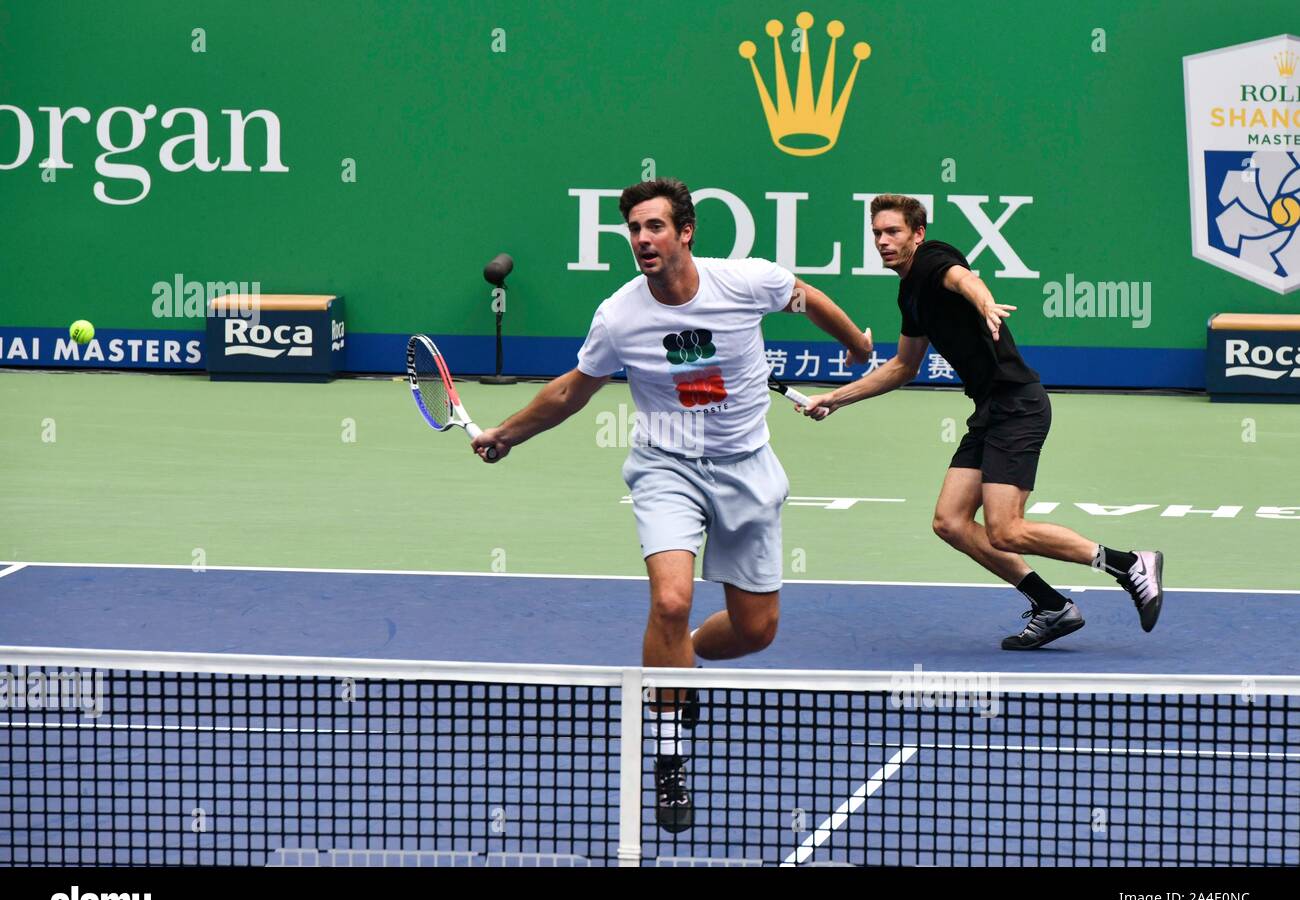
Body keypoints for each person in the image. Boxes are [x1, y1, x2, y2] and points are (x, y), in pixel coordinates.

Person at [471, 177, 871, 832]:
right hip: (666, 467)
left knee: (756, 631)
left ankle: (675, 657)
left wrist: (855, 343)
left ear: (685, 232)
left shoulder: (747, 282)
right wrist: (507, 434)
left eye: (654, 226)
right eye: (633, 228)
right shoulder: (619, 316)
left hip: (747, 467)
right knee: (671, 599)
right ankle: (670, 755)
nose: (642, 239)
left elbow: (807, 298)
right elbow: (573, 390)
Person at [802, 194, 1163, 649]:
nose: (882, 241)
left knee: (1006, 529)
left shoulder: (932, 259)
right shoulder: (908, 293)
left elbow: (964, 279)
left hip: (1017, 405)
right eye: (876, 233)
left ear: (918, 234)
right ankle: (1051, 605)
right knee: (951, 521)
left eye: (893, 231)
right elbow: (904, 366)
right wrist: (836, 398)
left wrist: (986, 303)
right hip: (990, 410)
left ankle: (1128, 565)